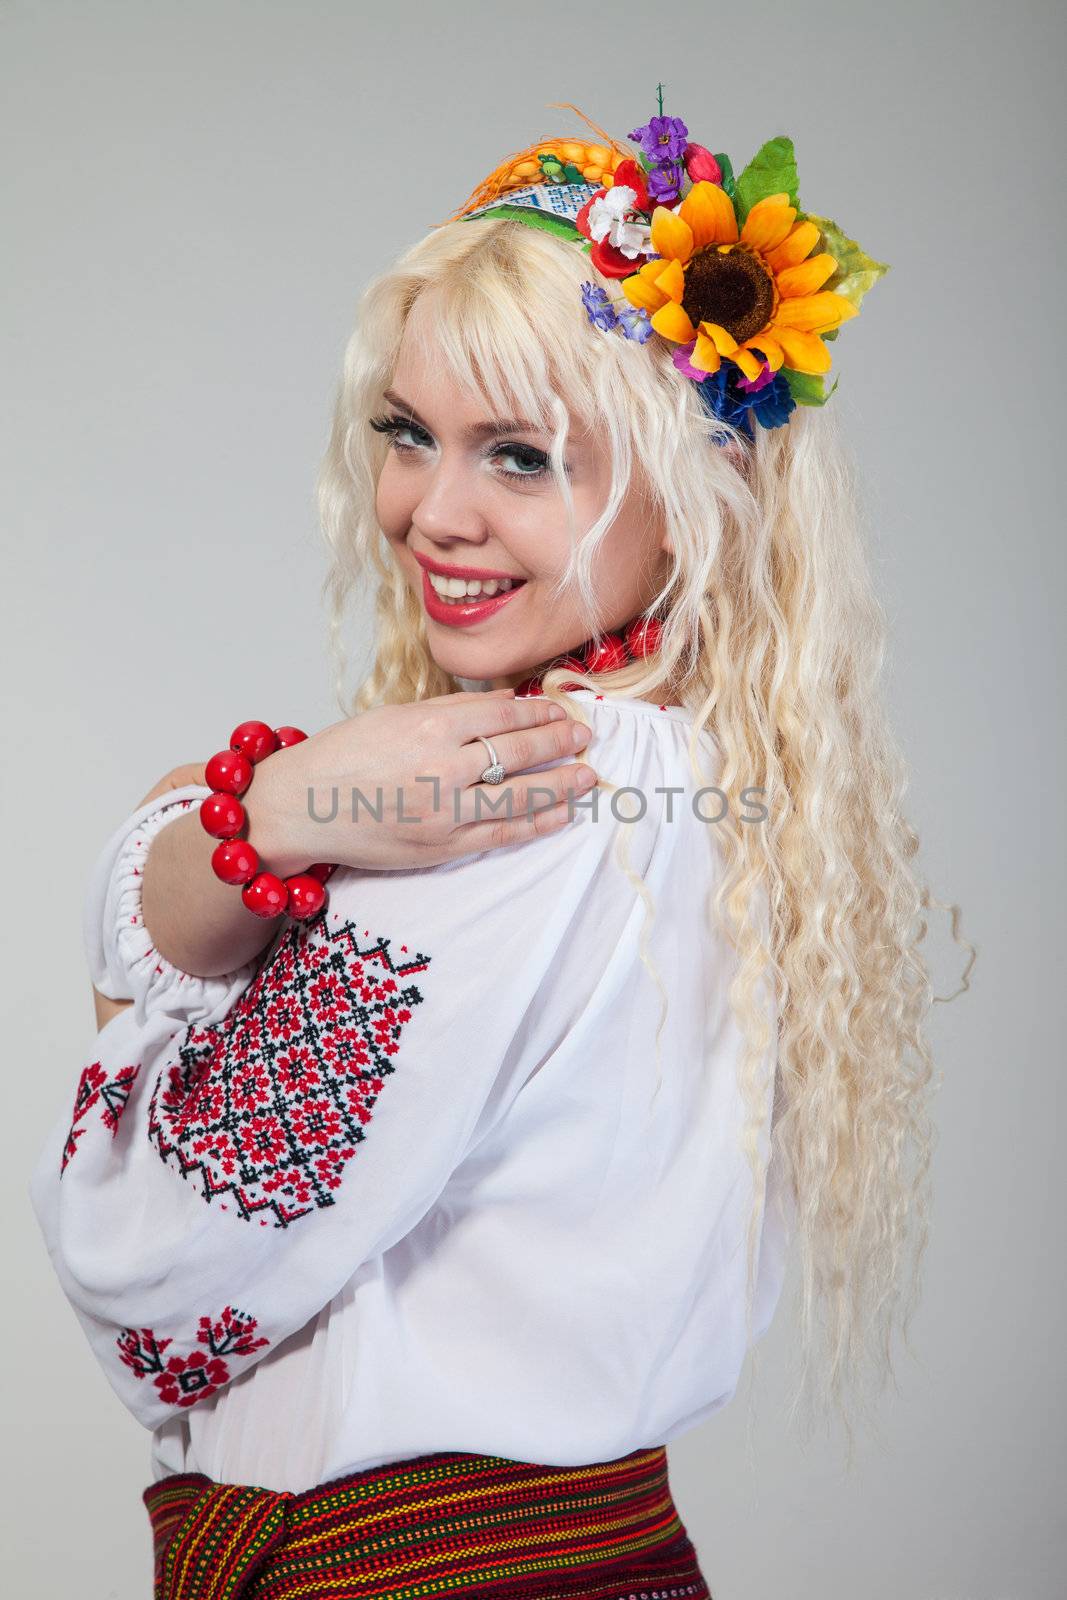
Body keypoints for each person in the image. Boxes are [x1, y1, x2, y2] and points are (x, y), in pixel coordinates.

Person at [29, 97, 972, 1599]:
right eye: (409, 436)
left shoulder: (525, 793)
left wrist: (213, 858)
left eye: (522, 458)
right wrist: (277, 810)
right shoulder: (697, 780)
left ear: (698, 491)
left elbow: (155, 1253)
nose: (432, 514)